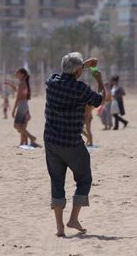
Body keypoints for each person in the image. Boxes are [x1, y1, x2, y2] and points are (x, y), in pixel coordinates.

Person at [44, 52, 105, 237]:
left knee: (57, 181)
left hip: (51, 141)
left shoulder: (51, 83)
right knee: (84, 178)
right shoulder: (80, 89)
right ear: (78, 71)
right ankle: (73, 218)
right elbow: (99, 100)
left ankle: (59, 227)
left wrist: (82, 66)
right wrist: (100, 81)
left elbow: (61, 74)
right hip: (71, 142)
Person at [9, 68, 39, 147]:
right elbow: (20, 93)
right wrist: (12, 86)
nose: (15, 73)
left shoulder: (22, 83)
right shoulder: (24, 83)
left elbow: (18, 97)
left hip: (22, 105)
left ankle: (31, 137)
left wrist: (13, 110)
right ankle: (23, 143)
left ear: (22, 74)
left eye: (17, 72)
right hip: (25, 105)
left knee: (17, 125)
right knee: (22, 126)